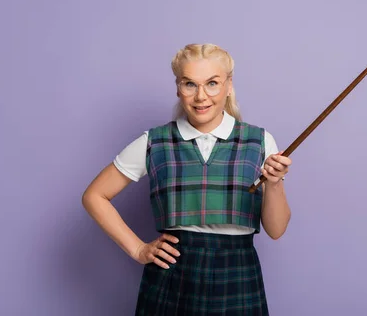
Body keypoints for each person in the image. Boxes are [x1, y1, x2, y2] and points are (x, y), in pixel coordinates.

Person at [82, 43, 292, 315]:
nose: (201, 96)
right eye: (190, 84)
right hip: (172, 278)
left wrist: (274, 184)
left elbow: (276, 230)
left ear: (229, 85)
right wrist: (137, 249)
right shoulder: (154, 141)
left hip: (238, 274)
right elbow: (94, 196)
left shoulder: (260, 141)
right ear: (178, 88)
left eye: (212, 83)